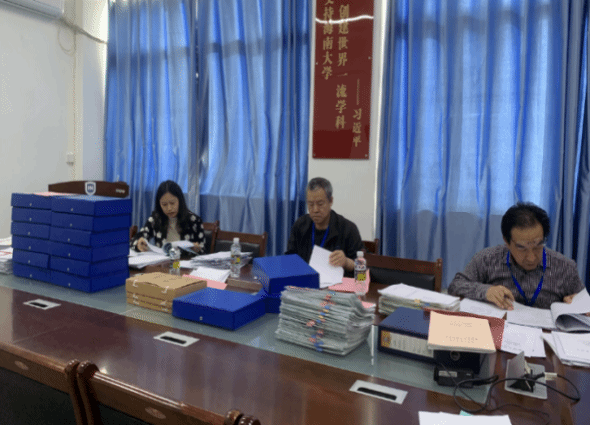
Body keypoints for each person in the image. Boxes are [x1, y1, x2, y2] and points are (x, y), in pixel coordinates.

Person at [448, 202, 584, 310]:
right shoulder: (487, 259)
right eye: (521, 248)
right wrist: (485, 291)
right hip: (500, 330)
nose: (531, 257)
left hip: (546, 334)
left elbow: (584, 301)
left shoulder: (565, 267)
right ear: (507, 241)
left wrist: (578, 302)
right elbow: (455, 286)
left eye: (538, 245)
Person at [286, 177, 363, 273]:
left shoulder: (348, 229)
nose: (315, 210)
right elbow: (289, 259)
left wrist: (347, 262)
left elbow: (363, 270)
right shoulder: (300, 225)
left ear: (331, 201)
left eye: (320, 204)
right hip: (305, 280)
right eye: (310, 204)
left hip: (338, 282)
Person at [130, 180, 205, 254]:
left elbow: (203, 250)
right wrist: (139, 244)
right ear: (159, 204)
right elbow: (135, 240)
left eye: (172, 203)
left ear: (180, 201)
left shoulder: (194, 220)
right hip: (163, 261)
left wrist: (196, 249)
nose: (169, 208)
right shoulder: (156, 218)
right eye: (164, 204)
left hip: (184, 261)